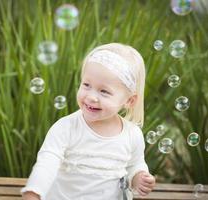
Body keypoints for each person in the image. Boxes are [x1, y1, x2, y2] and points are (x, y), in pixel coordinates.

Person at [21, 43, 155, 200]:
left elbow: (135, 163)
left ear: (129, 101)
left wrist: (138, 177)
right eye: (86, 85)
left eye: (104, 91)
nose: (91, 96)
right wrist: (34, 192)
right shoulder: (66, 128)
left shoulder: (132, 134)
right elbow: (47, 163)